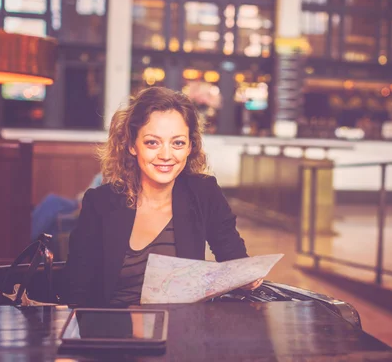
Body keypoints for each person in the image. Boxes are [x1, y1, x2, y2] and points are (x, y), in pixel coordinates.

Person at [65, 87, 262, 307]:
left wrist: (246, 275)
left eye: (177, 143)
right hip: (114, 331)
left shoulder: (204, 192)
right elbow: (77, 291)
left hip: (182, 331)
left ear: (190, 147)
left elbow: (233, 257)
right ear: (132, 145)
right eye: (152, 142)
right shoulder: (100, 202)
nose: (166, 155)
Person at [30, 172, 103, 241]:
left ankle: (26, 237)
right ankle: (27, 237)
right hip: (79, 202)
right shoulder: (103, 174)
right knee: (50, 212)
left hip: (82, 207)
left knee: (52, 201)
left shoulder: (109, 177)